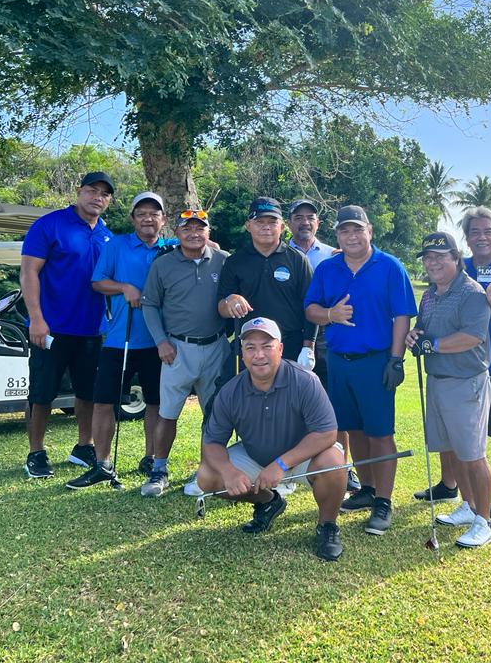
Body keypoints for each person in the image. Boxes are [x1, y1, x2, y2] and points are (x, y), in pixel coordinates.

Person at [304, 205, 416, 535]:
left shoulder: (390, 266)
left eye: (357, 229)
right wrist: (330, 315)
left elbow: (401, 316)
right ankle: (367, 489)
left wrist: (396, 359)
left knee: (380, 433)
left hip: (376, 361)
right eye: (345, 231)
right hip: (339, 362)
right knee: (353, 429)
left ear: (369, 231)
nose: (351, 236)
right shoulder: (328, 268)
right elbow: (310, 309)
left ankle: (383, 501)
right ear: (337, 235)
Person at [197, 317, 347, 561]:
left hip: (303, 457)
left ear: (280, 348)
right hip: (256, 456)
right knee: (207, 476)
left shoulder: (305, 381)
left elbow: (327, 433)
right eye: (250, 347)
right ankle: (268, 501)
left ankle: (327, 525)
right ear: (242, 353)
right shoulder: (230, 391)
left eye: (267, 346)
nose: (259, 355)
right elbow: (212, 443)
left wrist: (280, 464)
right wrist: (229, 472)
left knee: (334, 463)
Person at [413, 206, 491, 520]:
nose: (481, 237)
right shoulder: (457, 269)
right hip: (452, 365)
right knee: (455, 438)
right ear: (466, 239)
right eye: (475, 232)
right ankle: (459, 493)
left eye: (488, 231)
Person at [65, 192, 170, 489]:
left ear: (163, 219)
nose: (148, 219)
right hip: (118, 339)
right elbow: (97, 282)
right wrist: (124, 287)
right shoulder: (116, 245)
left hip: (158, 341)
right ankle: (103, 463)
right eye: (142, 214)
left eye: (154, 214)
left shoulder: (171, 247)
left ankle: (151, 458)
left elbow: (204, 245)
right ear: (133, 218)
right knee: (104, 402)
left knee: (156, 403)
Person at [21, 171, 114, 479]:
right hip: (50, 328)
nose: (97, 197)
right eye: (92, 190)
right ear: (79, 191)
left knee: (87, 393)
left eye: (104, 193)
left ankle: (83, 447)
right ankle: (36, 452)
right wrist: (36, 318)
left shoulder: (106, 235)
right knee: (42, 393)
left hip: (92, 330)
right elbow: (29, 272)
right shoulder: (49, 225)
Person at [406, 232, 491, 548]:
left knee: (472, 455)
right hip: (438, 380)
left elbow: (472, 337)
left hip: (466, 382)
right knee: (452, 449)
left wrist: (432, 344)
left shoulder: (472, 293)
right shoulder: (429, 295)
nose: (432, 263)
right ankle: (469, 506)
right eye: (428, 258)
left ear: (456, 258)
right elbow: (424, 330)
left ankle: (485, 521)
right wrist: (415, 336)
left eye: (440, 256)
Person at [139, 209, 229, 497]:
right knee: (168, 413)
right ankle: (159, 469)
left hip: (216, 347)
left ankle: (207, 469)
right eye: (186, 228)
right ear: (176, 233)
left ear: (208, 232)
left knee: (214, 415)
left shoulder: (224, 260)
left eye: (199, 228)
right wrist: (161, 341)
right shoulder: (163, 264)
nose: (193, 233)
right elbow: (149, 304)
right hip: (177, 349)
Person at [287, 198, 360, 493]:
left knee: (334, 405)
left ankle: (342, 467)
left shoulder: (335, 255)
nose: (305, 222)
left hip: (328, 339)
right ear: (289, 223)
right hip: (289, 337)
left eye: (310, 217)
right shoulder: (278, 252)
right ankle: (291, 466)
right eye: (298, 217)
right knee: (291, 405)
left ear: (318, 223)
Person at [217, 196, 316, 364]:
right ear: (248, 225)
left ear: (282, 226)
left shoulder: (298, 260)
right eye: (259, 222)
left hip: (290, 345)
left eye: (272, 222)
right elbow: (221, 308)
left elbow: (311, 305)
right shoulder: (234, 261)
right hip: (249, 346)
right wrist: (229, 301)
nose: (266, 227)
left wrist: (308, 347)